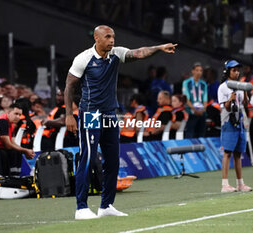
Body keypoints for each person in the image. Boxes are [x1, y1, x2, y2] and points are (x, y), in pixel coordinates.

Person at [65, 25, 177, 220]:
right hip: (90, 114)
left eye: (113, 36)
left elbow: (139, 53)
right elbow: (68, 87)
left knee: (113, 161)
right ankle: (81, 208)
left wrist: (159, 47)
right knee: (88, 158)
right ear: (96, 38)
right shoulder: (83, 59)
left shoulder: (116, 54)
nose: (112, 40)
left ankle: (106, 205)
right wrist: (68, 115)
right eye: (108, 37)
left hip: (110, 113)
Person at [218, 60, 252, 193]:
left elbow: (245, 103)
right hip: (228, 120)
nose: (237, 73)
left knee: (238, 153)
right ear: (227, 71)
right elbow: (224, 107)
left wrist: (245, 93)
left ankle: (240, 184)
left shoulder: (239, 85)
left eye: (238, 70)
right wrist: (230, 99)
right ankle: (225, 184)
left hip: (240, 119)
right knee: (227, 152)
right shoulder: (223, 87)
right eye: (234, 70)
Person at [0, 103, 35, 177]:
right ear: (8, 112)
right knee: (12, 152)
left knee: (17, 151)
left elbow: (13, 142)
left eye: (19, 115)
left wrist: (24, 150)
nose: (18, 117)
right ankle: (10, 177)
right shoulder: (3, 121)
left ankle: (16, 176)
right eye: (16, 114)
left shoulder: (11, 123)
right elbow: (7, 145)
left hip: (2, 148)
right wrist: (25, 150)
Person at [182, 62, 208, 138]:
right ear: (192, 71)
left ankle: (201, 148)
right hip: (191, 111)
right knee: (190, 133)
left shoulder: (203, 84)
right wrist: (194, 109)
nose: (199, 72)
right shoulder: (186, 83)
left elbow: (205, 99)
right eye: (197, 70)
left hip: (201, 111)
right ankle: (189, 148)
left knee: (201, 133)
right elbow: (186, 99)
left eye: (200, 70)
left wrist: (203, 110)